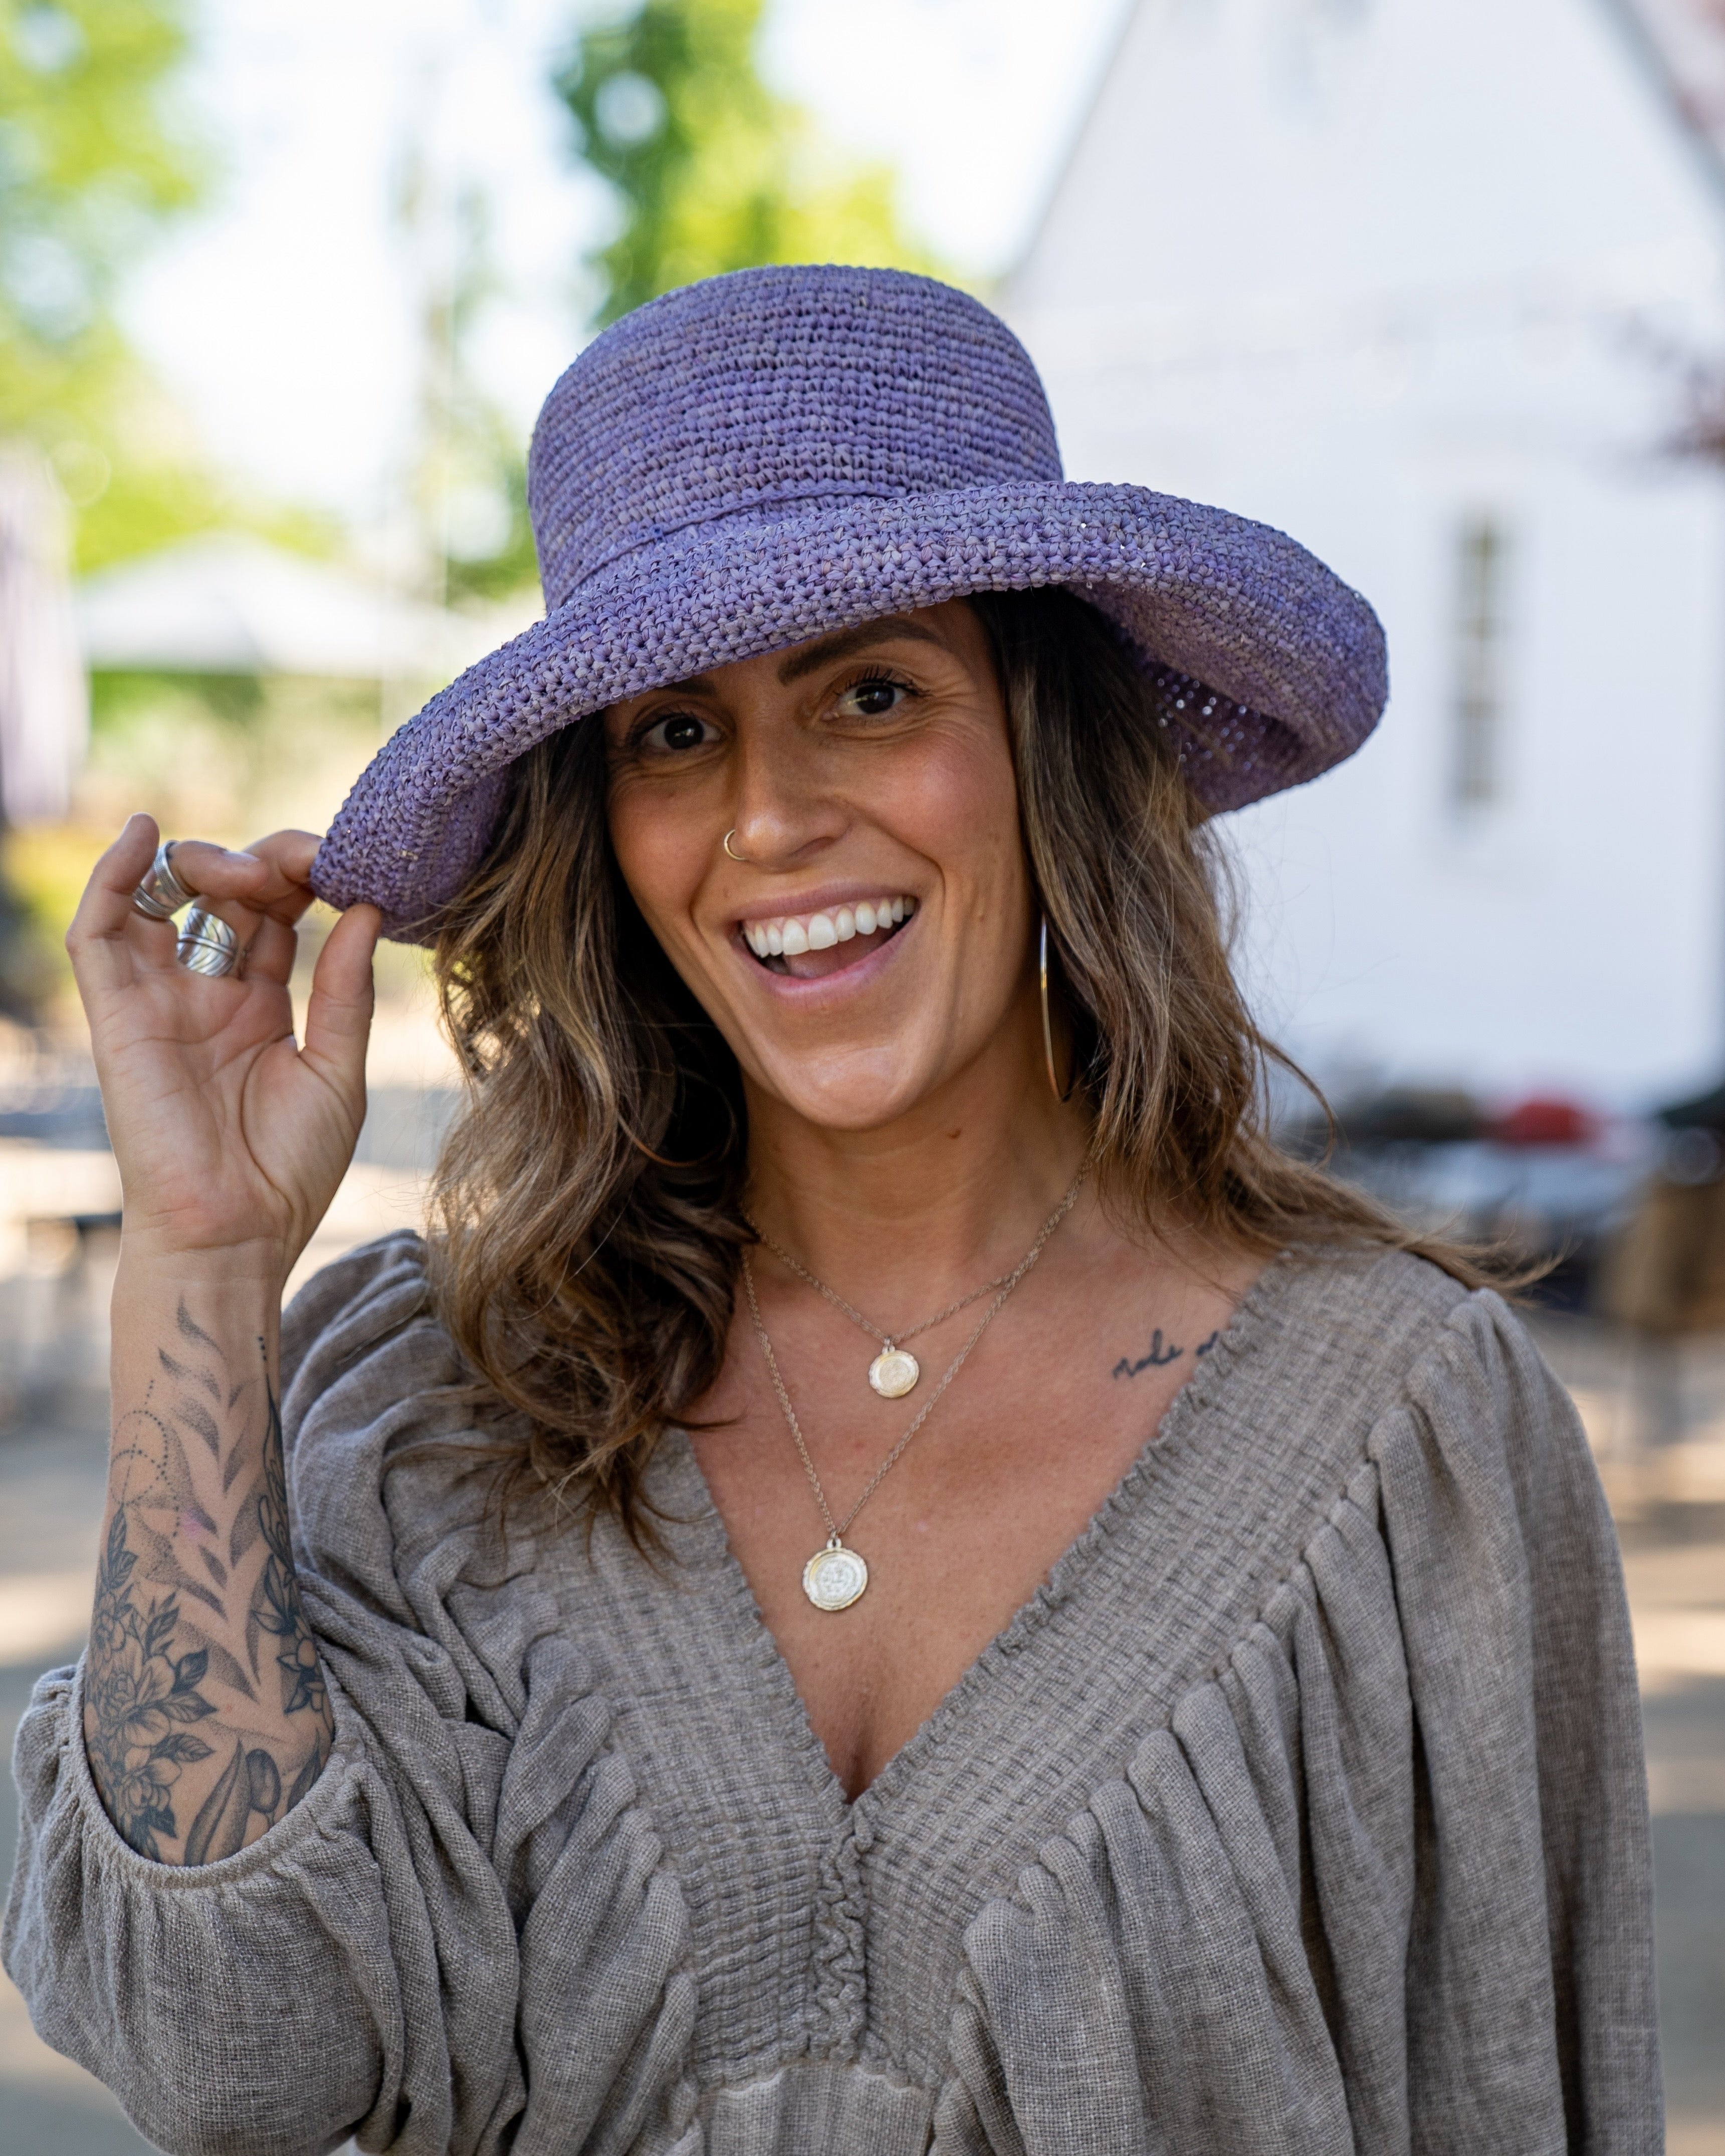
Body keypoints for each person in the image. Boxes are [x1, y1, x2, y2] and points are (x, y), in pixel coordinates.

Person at [5, 267, 1657, 2154]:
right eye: (673, 738)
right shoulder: (433, 1413)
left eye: (872, 693)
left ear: (1052, 751)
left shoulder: (1402, 1441)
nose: (771, 819)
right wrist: (205, 1267)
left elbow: (1522, 2096)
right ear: (602, 835)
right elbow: (235, 2062)